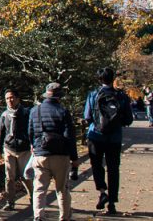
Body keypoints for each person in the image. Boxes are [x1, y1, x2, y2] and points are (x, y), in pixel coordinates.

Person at [83, 67, 133, 215]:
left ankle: (102, 191)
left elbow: (87, 116)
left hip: (95, 136)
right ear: (113, 79)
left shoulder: (93, 95)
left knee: (97, 165)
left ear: (100, 79)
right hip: (114, 138)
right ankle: (112, 203)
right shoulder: (121, 96)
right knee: (113, 169)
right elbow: (128, 119)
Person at [28, 82, 79, 221]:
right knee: (62, 189)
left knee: (39, 189)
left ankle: (38, 216)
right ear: (59, 97)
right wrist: (74, 158)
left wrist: (34, 146)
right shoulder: (63, 111)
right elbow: (70, 137)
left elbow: (30, 132)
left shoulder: (34, 111)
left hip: (40, 154)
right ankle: (64, 217)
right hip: (60, 155)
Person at [0, 88, 33, 211]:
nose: (9, 100)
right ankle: (10, 201)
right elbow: (1, 133)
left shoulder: (26, 113)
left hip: (24, 149)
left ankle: (33, 196)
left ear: (17, 98)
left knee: (25, 176)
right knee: (9, 177)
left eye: (11, 97)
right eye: (7, 98)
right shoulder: (4, 115)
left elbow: (31, 130)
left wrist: (32, 144)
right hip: (9, 148)